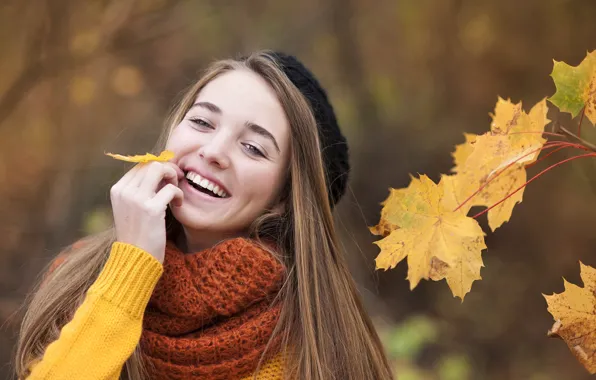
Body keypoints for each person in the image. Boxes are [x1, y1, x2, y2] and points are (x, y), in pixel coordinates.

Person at [15, 50, 394, 380]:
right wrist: (128, 272)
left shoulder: (313, 346)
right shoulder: (76, 278)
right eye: (201, 122)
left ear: (285, 197)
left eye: (252, 147)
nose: (213, 150)